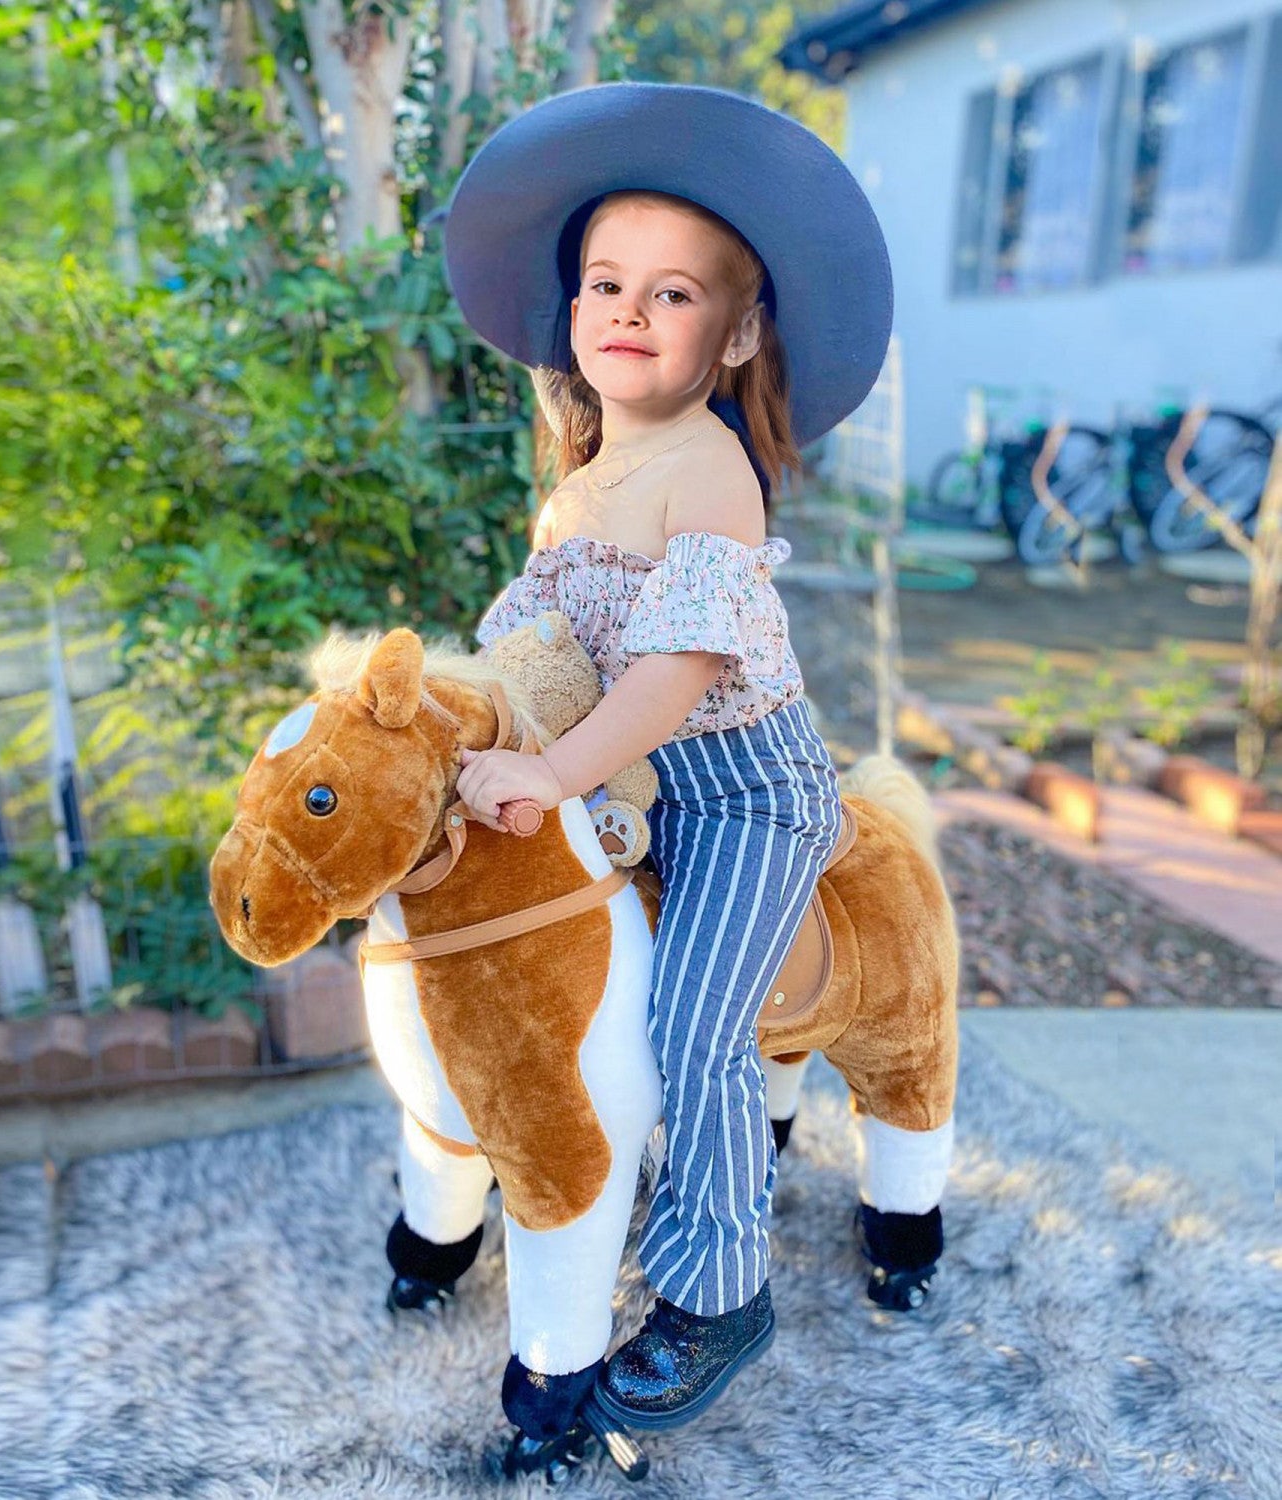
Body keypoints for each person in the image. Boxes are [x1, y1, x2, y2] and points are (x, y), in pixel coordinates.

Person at [440, 81, 893, 1443]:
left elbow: (673, 675)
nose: (630, 310)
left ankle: (719, 1289)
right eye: (606, 283)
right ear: (571, 310)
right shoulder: (574, 494)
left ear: (736, 334)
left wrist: (554, 777)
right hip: (640, 787)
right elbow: (528, 661)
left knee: (690, 1022)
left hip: (744, 793)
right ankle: (567, 1166)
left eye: (674, 293)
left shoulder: (711, 474)